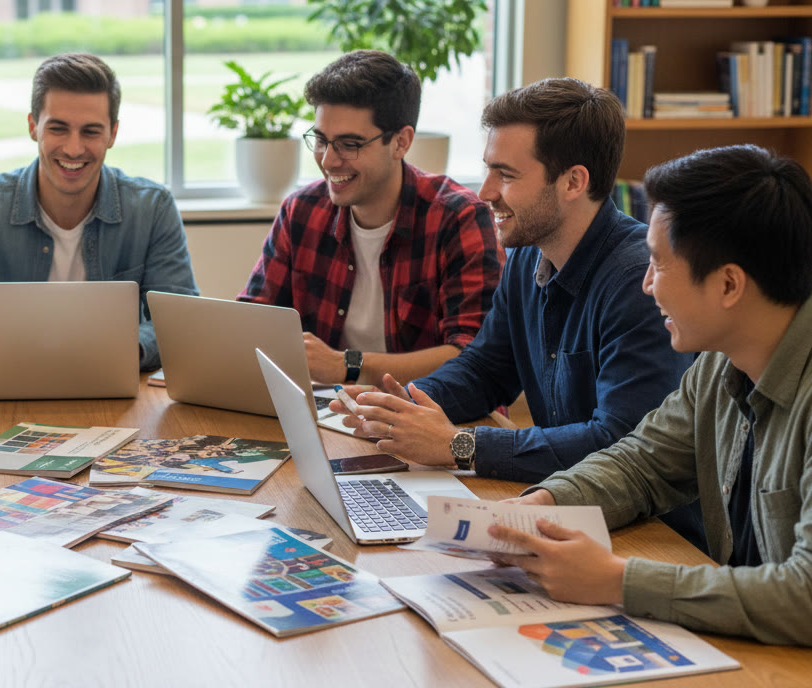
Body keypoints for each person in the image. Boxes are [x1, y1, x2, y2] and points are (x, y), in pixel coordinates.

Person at [333, 78, 702, 543]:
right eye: (488, 170)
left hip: (653, 535)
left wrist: (460, 445)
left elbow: (620, 442)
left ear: (573, 181)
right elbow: (487, 369)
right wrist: (404, 406)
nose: (485, 191)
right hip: (563, 509)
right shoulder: (530, 252)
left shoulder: (637, 282)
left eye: (505, 175)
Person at [492, 145, 812, 646]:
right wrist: (542, 505)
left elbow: (805, 596)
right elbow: (641, 464)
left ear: (729, 284)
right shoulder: (720, 363)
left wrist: (617, 580)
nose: (645, 285)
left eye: (658, 265)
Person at [0, 52, 198, 371]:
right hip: (2, 385)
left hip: (113, 390)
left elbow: (180, 321)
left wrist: (121, 352)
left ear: (113, 134)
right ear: (34, 127)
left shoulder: (152, 208)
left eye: (91, 131)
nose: (74, 149)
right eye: (58, 129)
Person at [237, 50, 503, 386]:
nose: (329, 161)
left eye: (349, 144)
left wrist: (348, 365)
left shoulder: (458, 217)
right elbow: (251, 322)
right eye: (320, 140)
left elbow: (473, 357)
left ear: (401, 142)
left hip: (430, 415)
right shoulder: (301, 211)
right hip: (330, 411)